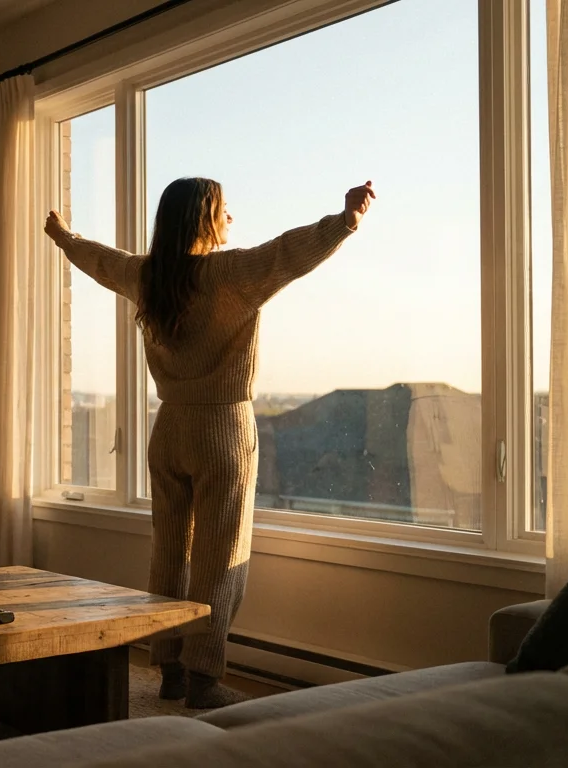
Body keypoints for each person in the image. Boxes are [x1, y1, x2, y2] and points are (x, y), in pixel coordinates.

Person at [45, 178, 375, 709]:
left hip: (169, 427)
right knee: (222, 559)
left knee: (169, 554)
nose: (231, 220)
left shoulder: (148, 275)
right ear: (204, 219)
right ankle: (203, 679)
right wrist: (344, 222)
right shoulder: (231, 273)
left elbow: (103, 261)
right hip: (223, 430)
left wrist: (64, 237)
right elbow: (290, 252)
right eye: (224, 210)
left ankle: (170, 669)